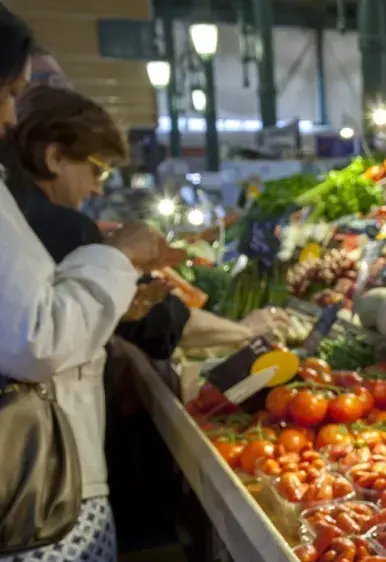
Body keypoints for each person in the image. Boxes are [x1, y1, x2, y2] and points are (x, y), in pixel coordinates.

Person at [0, 4, 172, 562]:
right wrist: (120, 256)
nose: (10, 117)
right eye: (10, 92)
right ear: (54, 156)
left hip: (32, 487)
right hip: (39, 492)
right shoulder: (57, 222)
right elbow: (33, 336)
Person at [5, 85, 282, 358]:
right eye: (98, 170)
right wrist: (244, 330)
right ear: (55, 158)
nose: (97, 189)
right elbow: (156, 323)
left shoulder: (14, 211)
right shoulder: (62, 227)